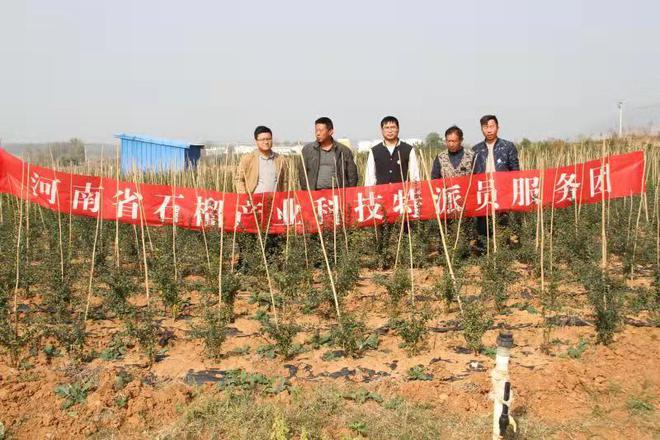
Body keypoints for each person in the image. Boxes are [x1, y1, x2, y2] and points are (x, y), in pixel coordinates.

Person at [471, 115, 520, 250]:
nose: (489, 130)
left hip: (503, 192)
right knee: (482, 225)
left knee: (503, 223)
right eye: (485, 127)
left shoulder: (508, 147)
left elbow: (515, 171)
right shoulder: (476, 150)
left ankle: (504, 253)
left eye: (492, 126)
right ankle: (483, 253)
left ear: (498, 127)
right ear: (482, 129)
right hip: (484, 193)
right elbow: (472, 174)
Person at [298, 117, 358, 191]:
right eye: (316, 130)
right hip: (315, 194)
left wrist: (349, 192)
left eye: (321, 130)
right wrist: (307, 191)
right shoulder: (307, 150)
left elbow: (352, 175)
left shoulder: (343, 150)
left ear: (330, 132)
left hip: (338, 193)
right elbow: (302, 175)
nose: (317, 133)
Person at [364, 116, 420, 186]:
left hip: (402, 193)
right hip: (381, 194)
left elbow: (414, 176)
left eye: (393, 127)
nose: (390, 131)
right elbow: (370, 178)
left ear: (398, 129)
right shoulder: (374, 151)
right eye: (386, 128)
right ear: (381, 130)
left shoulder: (408, 149)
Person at [234, 125, 288, 194]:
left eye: (268, 139)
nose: (266, 142)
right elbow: (239, 179)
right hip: (254, 201)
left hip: (275, 201)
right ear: (256, 141)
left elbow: (285, 181)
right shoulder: (248, 159)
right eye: (263, 139)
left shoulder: (280, 159)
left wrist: (283, 196)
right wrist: (244, 196)